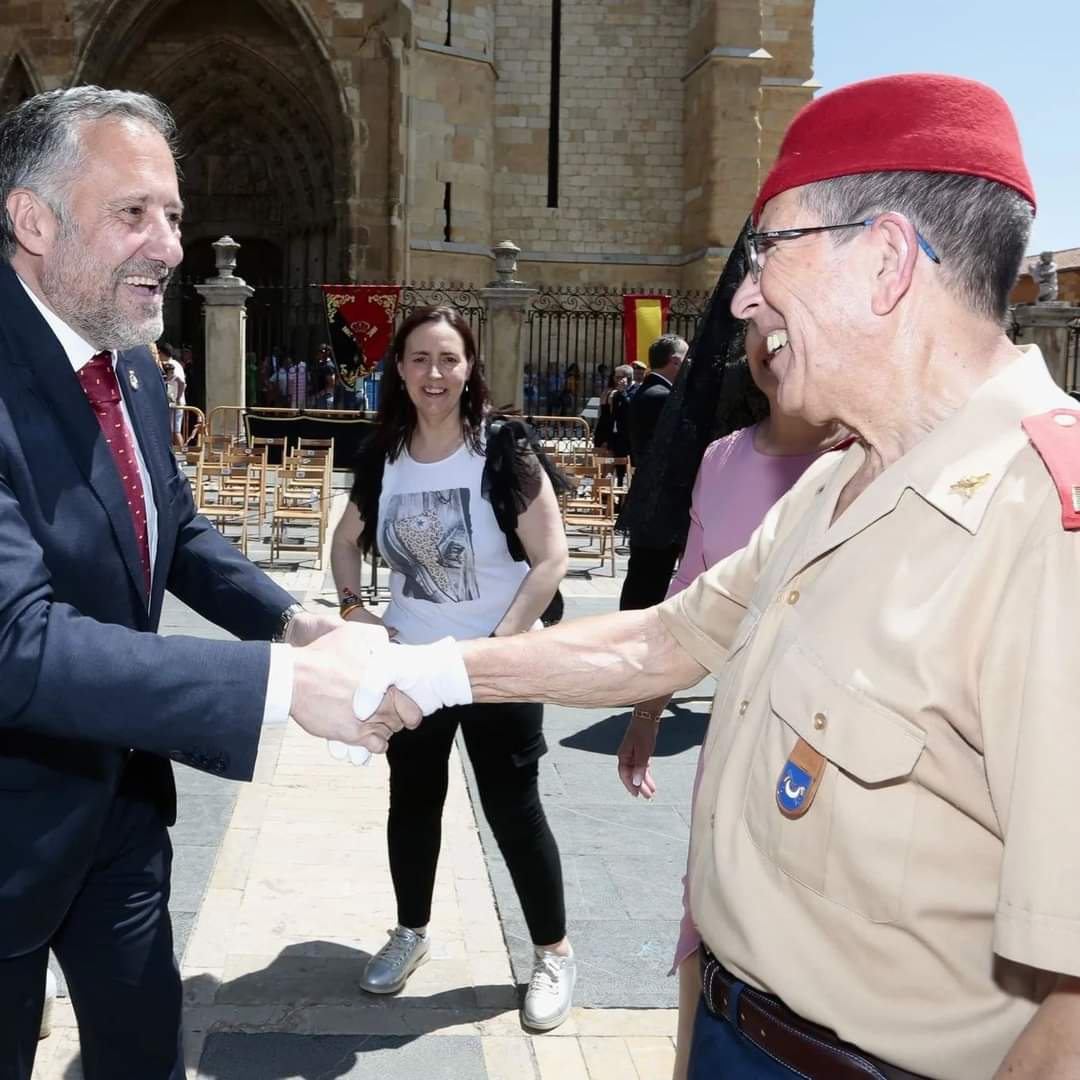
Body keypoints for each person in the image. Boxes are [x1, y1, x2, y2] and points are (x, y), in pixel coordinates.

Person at [355, 74, 1080, 1079]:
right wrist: (432, 675)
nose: (744, 297)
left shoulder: (1047, 526)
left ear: (884, 262)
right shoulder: (837, 483)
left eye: (769, 253)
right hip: (735, 1029)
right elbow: (663, 639)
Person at [0, 87, 401, 1080]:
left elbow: (170, 529)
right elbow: (19, 645)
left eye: (172, 215)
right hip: (8, 833)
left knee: (141, 1057)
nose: (173, 246)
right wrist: (278, 688)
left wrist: (294, 623)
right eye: (134, 213)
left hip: (119, 807)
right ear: (33, 220)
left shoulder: (128, 365)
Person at [329, 305, 577, 1031]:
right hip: (413, 669)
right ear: (398, 369)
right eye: (418, 359)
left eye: (448, 359)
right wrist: (353, 610)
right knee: (412, 801)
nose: (434, 374)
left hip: (496, 664)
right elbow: (345, 543)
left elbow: (551, 555)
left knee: (513, 809)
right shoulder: (386, 454)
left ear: (469, 367)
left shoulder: (501, 447)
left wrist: (496, 645)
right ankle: (411, 931)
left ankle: (554, 952)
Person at [616, 323, 842, 1080]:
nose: (773, 338)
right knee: (704, 912)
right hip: (734, 741)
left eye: (792, 317)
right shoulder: (721, 458)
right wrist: (646, 712)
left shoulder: (873, 461)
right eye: (758, 324)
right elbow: (688, 594)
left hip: (831, 756)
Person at [619, 334, 689, 611]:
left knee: (643, 575)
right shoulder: (662, 397)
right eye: (686, 356)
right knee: (650, 579)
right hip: (661, 502)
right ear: (674, 360)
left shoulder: (649, 392)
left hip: (650, 497)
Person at [158, 339, 187, 449]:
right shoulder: (173, 364)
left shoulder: (172, 365)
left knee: (176, 431)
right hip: (170, 403)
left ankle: (183, 455)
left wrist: (178, 398)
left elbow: (182, 383)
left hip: (175, 403)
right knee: (171, 430)